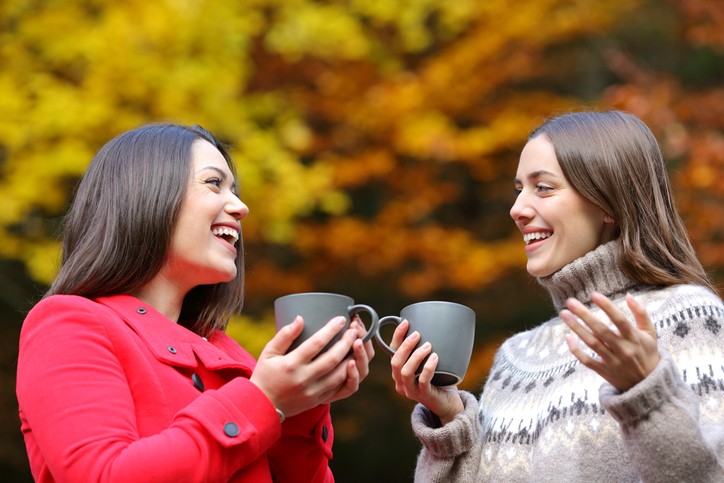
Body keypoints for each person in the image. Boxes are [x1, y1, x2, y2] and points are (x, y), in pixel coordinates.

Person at [16, 123, 375, 483]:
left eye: (233, 189)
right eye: (213, 183)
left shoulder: (229, 355)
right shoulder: (68, 323)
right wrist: (265, 399)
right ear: (145, 194)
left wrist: (301, 408)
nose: (240, 207)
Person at [389, 110, 724, 482]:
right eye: (519, 190)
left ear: (609, 202)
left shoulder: (687, 320)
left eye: (543, 188)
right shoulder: (516, 359)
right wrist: (451, 425)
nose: (517, 209)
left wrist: (648, 394)